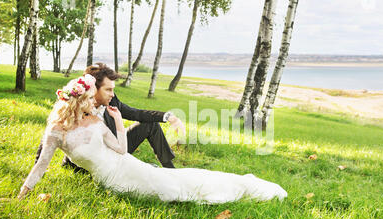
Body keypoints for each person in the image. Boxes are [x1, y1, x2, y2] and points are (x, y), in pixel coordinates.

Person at [18, 74, 287, 203]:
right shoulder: (57, 130)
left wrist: (122, 124)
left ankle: (173, 171)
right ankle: (168, 174)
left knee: (170, 188)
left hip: (122, 162)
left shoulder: (99, 119)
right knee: (163, 189)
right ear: (83, 98)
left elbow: (123, 147)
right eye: (102, 92)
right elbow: (42, 161)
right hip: (97, 173)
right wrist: (24, 192)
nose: (106, 96)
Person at [35, 63, 183, 171]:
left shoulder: (111, 100)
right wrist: (38, 165)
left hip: (114, 149)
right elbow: (52, 132)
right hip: (86, 164)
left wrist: (169, 117)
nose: (112, 94)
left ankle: (170, 170)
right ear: (93, 89)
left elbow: (136, 113)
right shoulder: (76, 107)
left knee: (150, 125)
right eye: (108, 90)